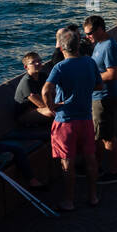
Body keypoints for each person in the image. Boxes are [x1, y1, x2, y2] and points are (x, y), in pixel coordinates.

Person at [43, 28, 103, 210]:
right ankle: (93, 196)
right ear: (78, 46)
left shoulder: (59, 67)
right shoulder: (90, 62)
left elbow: (46, 90)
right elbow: (99, 85)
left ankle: (69, 200)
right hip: (85, 118)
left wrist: (51, 107)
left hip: (65, 120)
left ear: (61, 48)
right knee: (90, 159)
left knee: (67, 162)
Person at [85, 15, 117, 184]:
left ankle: (113, 172)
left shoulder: (108, 46)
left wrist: (91, 78)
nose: (88, 36)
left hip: (104, 98)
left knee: (107, 136)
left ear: (100, 29)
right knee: (101, 135)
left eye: (90, 33)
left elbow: (113, 73)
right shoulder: (98, 44)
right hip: (99, 97)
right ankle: (99, 166)